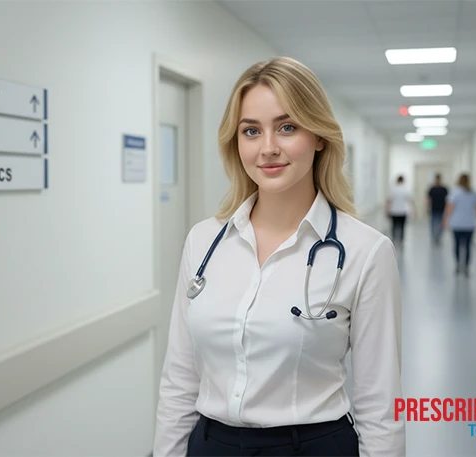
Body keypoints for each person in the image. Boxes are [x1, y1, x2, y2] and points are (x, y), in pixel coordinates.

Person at [153, 57, 404, 457]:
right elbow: (180, 379)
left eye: (287, 127)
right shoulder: (203, 242)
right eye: (251, 131)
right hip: (210, 445)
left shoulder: (365, 251)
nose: (268, 148)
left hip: (311, 446)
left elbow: (380, 404)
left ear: (319, 136)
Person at [442, 174, 476, 275]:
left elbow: (449, 208)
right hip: (469, 224)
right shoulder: (473, 193)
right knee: (468, 246)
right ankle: (467, 266)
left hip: (457, 224)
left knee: (457, 245)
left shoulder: (455, 193)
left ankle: (458, 264)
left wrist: (444, 221)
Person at [385, 175, 414, 245]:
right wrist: (414, 210)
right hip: (403, 211)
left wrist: (387, 210)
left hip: (394, 211)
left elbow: (388, 200)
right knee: (402, 227)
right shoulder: (405, 189)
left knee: (394, 226)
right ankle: (401, 239)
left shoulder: (393, 189)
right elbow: (410, 200)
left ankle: (394, 239)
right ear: (403, 181)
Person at [426, 173, 449, 245]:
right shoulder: (432, 189)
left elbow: (448, 200)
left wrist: (447, 210)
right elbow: (428, 199)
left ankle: (438, 237)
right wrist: (427, 208)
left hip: (442, 209)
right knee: (433, 224)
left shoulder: (444, 189)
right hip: (434, 209)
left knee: (441, 224)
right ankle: (434, 237)